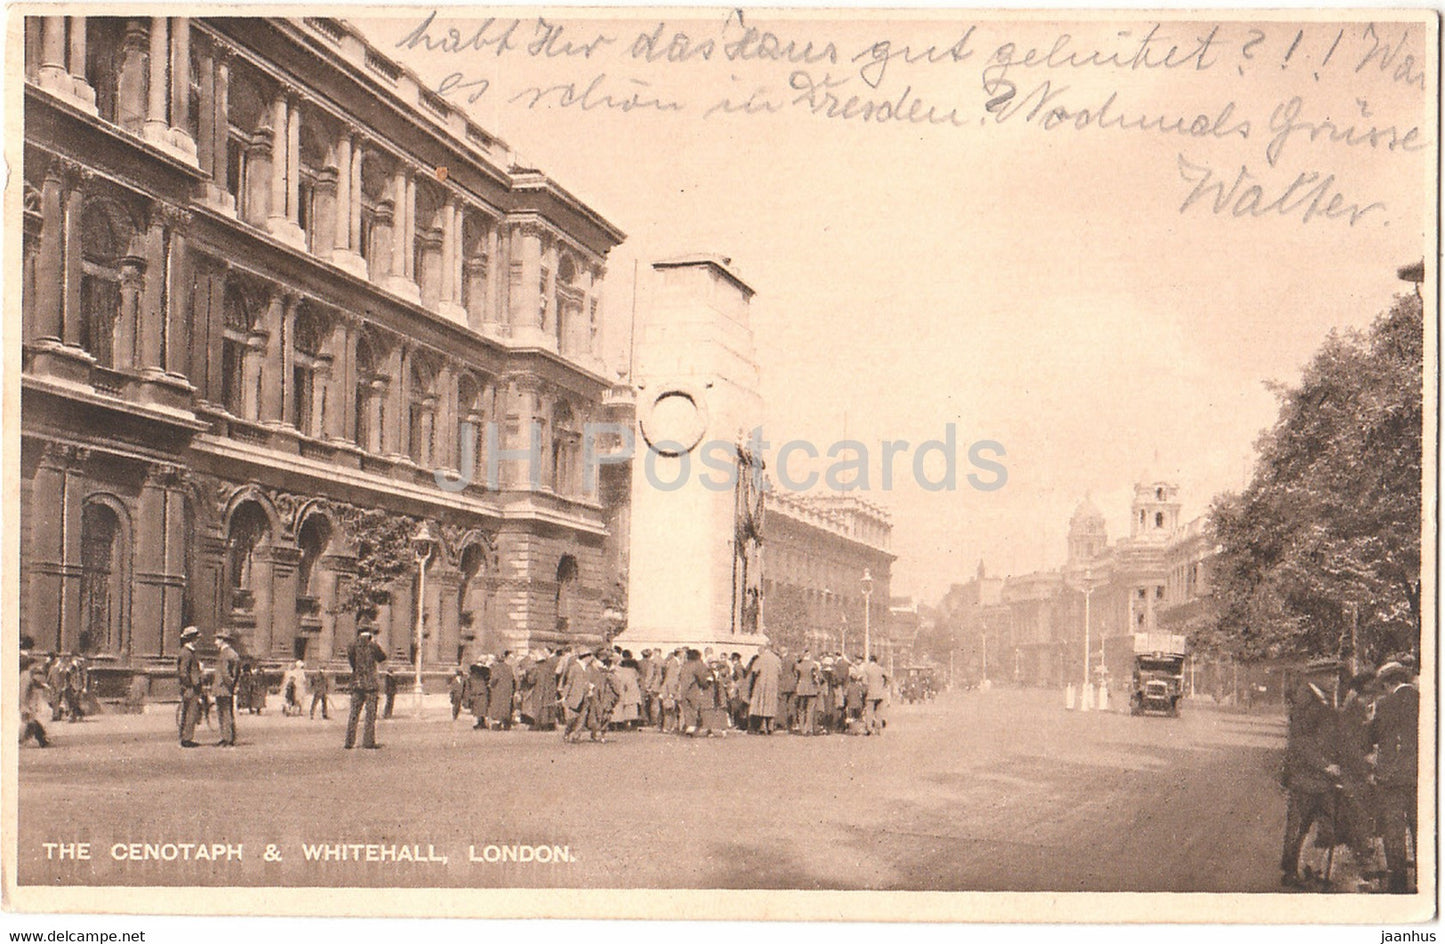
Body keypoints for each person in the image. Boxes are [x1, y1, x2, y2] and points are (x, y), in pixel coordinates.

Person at [1279, 658, 1344, 887]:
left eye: (1336, 675)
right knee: (1299, 827)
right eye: (1331, 675)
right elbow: (1301, 743)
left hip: (1321, 778)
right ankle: (1292, 872)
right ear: (1318, 677)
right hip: (1307, 777)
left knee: (1322, 826)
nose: (1335, 680)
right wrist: (1326, 765)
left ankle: (1310, 870)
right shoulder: (1307, 703)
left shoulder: (1322, 701)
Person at [1370, 660, 1419, 893]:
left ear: (1389, 683)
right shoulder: (1426, 702)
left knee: (1394, 832)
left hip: (1392, 779)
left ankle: (1398, 884)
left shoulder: (1385, 704)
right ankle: (1427, 880)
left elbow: (1372, 736)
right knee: (1422, 828)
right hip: (1422, 777)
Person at [345, 623, 387, 749]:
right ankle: (368, 742)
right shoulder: (373, 645)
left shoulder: (352, 645)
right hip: (370, 685)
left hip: (357, 683)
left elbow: (352, 662)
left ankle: (349, 742)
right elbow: (382, 658)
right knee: (370, 714)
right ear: (370, 633)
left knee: (353, 713)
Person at [559, 649, 596, 743]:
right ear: (585, 657)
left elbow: (590, 680)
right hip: (574, 695)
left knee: (582, 717)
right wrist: (564, 696)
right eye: (590, 656)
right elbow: (569, 682)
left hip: (586, 695)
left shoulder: (588, 668)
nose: (591, 659)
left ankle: (576, 736)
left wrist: (590, 687)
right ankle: (567, 733)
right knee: (572, 718)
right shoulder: (574, 667)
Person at [176, 626, 204, 747]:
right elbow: (183, 672)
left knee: (186, 712)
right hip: (191, 687)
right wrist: (190, 685)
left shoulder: (186, 652)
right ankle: (187, 738)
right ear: (192, 639)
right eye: (196, 638)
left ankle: (184, 737)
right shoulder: (187, 653)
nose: (197, 640)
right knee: (191, 713)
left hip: (188, 687)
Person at [213, 629, 241, 747]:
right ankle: (228, 737)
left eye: (217, 639)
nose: (215, 642)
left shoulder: (225, 654)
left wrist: (229, 685)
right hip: (227, 688)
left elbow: (225, 673)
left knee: (224, 713)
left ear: (223, 641)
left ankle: (227, 738)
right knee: (227, 712)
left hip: (223, 688)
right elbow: (236, 672)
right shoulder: (233, 654)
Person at [748, 645, 783, 735]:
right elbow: (780, 672)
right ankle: (771, 727)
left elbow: (755, 671)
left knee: (762, 705)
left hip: (762, 684)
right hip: (773, 685)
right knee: (771, 705)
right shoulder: (777, 659)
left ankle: (763, 727)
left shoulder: (760, 658)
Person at [20, 654, 51, 748]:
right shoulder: (26, 675)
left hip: (27, 701)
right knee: (30, 721)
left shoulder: (25, 674)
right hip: (26, 702)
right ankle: (40, 739)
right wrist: (24, 704)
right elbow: (24, 689)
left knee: (30, 721)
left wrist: (42, 686)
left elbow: (33, 683)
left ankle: (38, 739)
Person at [794, 650, 820, 735]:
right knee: (810, 709)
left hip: (801, 688)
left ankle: (802, 728)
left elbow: (796, 677)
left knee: (801, 709)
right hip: (811, 689)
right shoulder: (813, 665)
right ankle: (809, 728)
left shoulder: (798, 666)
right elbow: (818, 677)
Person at [489, 651, 516, 730]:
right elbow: (513, 678)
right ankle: (506, 723)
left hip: (498, 690)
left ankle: (497, 724)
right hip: (507, 690)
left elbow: (494, 679)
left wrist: (490, 684)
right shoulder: (509, 667)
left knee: (497, 706)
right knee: (505, 706)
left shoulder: (496, 668)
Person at [864, 654, 890, 735]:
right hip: (880, 693)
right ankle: (878, 729)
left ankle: (869, 728)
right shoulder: (881, 669)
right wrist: (884, 685)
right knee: (879, 712)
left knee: (869, 711)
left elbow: (864, 682)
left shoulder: (867, 669)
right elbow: (889, 678)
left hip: (870, 693)